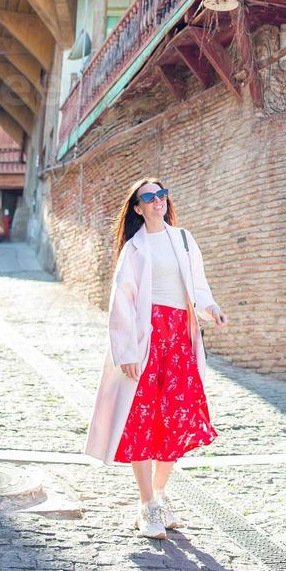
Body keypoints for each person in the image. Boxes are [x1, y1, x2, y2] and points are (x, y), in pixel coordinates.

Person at [84, 177, 227, 539]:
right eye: (148, 196)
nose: (157, 200)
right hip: (148, 341)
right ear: (137, 207)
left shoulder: (183, 238)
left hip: (179, 338)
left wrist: (211, 308)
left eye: (161, 194)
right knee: (143, 421)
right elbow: (123, 301)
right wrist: (127, 351)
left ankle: (161, 495)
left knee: (177, 419)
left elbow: (198, 287)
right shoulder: (134, 248)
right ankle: (146, 505)